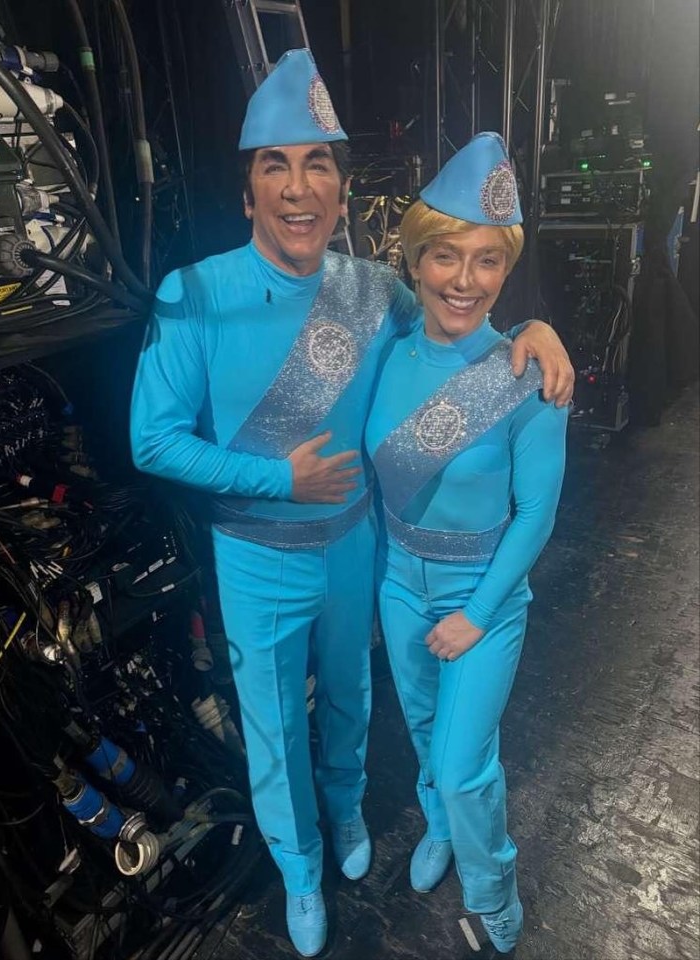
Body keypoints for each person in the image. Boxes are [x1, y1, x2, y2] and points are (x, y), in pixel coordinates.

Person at [130, 50, 573, 958]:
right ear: (248, 188)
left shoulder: (376, 292)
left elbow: (464, 327)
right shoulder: (194, 295)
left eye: (318, 163)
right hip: (254, 554)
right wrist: (274, 478)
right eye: (275, 165)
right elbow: (150, 440)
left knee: (352, 701)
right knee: (274, 727)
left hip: (359, 550)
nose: (298, 188)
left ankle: (347, 819)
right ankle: (299, 871)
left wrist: (536, 326)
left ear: (340, 189)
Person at [365, 132, 569, 956]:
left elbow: (537, 517)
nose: (464, 279)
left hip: (484, 592)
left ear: (506, 270)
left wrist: (479, 613)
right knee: (424, 733)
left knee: (464, 760)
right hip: (397, 581)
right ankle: (444, 829)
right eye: (446, 256)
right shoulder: (387, 346)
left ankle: (495, 893)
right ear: (416, 259)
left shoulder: (527, 373)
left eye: (487, 262)